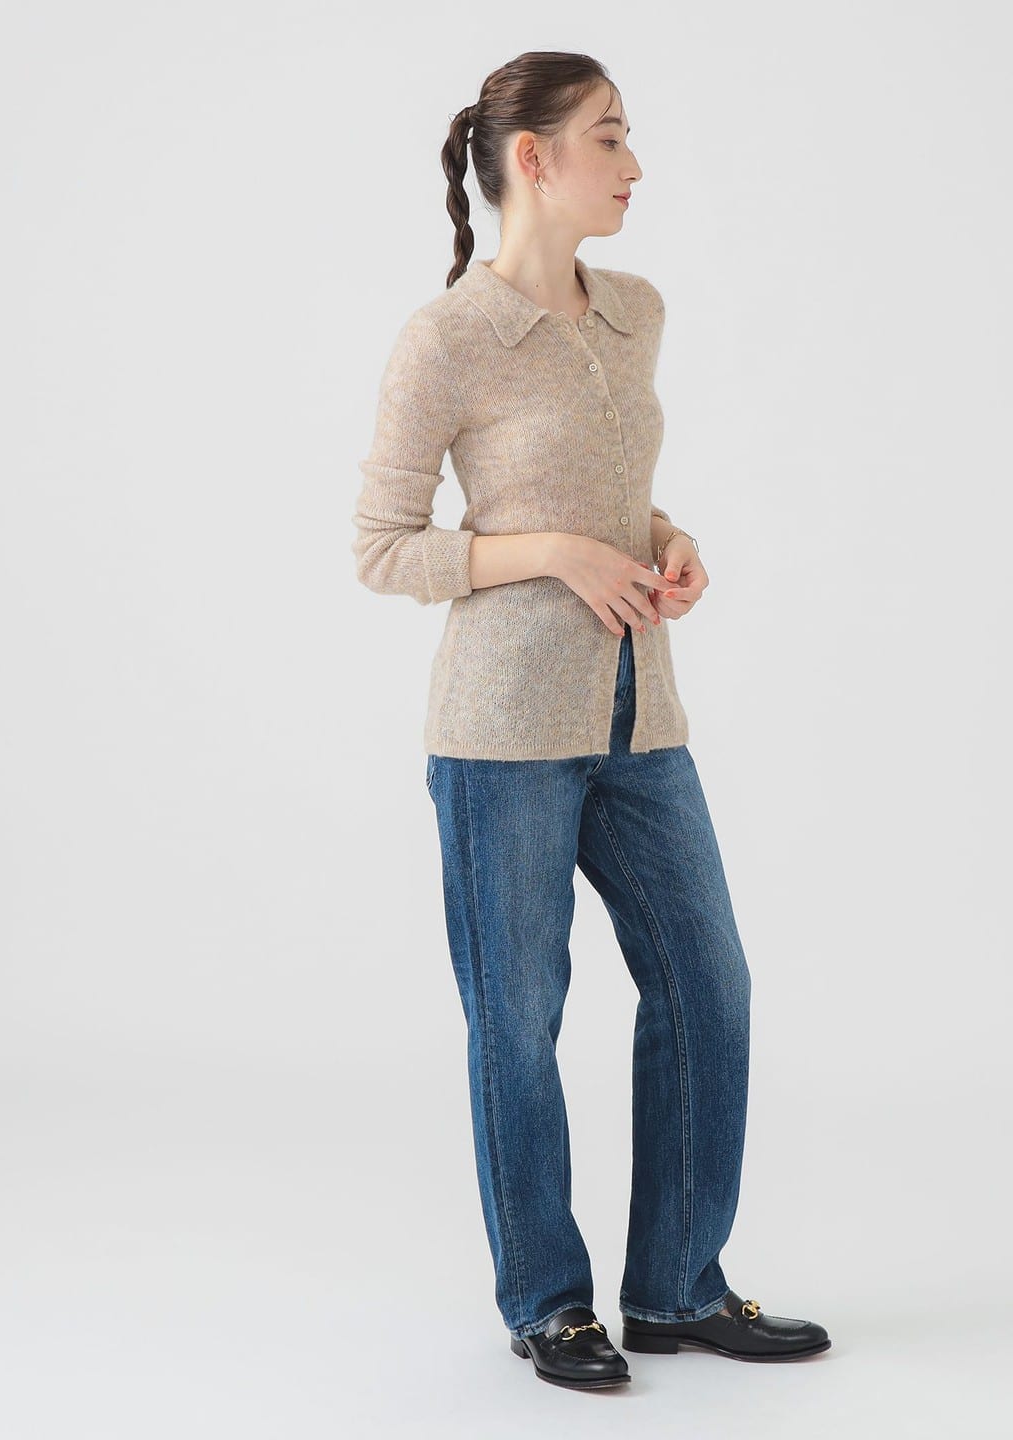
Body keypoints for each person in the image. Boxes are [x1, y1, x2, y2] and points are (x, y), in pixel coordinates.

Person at [351, 50, 830, 1391]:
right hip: (499, 730)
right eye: (609, 138)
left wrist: (669, 541)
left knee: (708, 986)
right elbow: (383, 547)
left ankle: (677, 1288)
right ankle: (549, 1302)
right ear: (535, 159)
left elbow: (616, 491)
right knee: (518, 1019)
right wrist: (553, 552)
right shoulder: (446, 337)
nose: (634, 165)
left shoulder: (636, 311)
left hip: (639, 716)